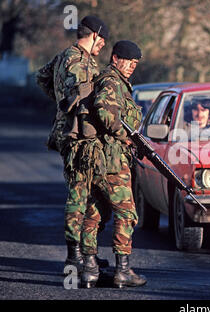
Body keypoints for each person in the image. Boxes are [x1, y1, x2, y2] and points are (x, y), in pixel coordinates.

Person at [35, 15, 111, 272]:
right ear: (94, 35)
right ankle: (75, 256)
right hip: (78, 136)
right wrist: (67, 106)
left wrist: (58, 102)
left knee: (88, 194)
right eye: (102, 40)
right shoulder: (81, 62)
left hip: (68, 133)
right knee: (80, 195)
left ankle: (85, 253)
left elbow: (41, 77)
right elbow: (81, 99)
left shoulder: (62, 56)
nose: (103, 46)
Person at [80, 40, 146, 289]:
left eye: (135, 63)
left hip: (100, 161)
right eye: (128, 61)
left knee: (96, 212)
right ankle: (122, 270)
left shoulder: (113, 81)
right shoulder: (111, 81)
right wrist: (126, 135)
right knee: (126, 213)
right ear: (115, 58)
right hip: (111, 161)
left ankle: (89, 269)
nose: (132, 66)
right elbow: (105, 112)